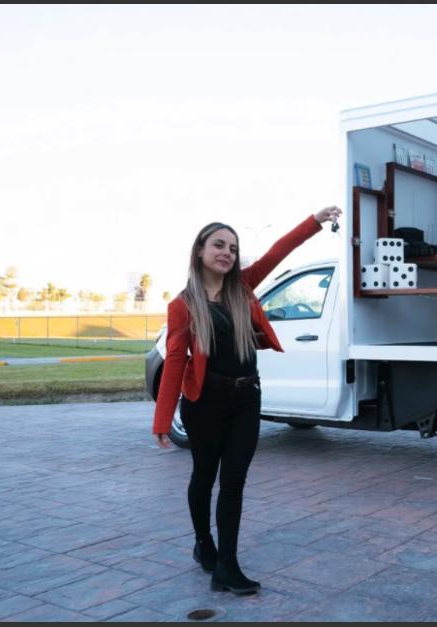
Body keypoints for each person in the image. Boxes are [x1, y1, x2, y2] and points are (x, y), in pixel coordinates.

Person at [152, 206, 341, 595]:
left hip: (245, 400)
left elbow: (276, 253)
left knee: (234, 481)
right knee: (204, 476)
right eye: (219, 245)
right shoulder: (183, 305)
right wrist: (162, 419)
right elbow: (174, 362)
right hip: (204, 404)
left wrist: (314, 222)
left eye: (233, 248)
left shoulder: (243, 288)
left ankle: (227, 565)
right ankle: (205, 543)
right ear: (200, 251)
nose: (227, 253)